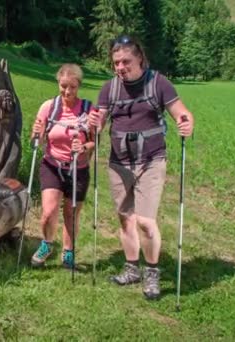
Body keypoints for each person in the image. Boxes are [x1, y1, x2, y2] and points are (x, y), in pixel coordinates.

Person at [89, 35, 194, 299]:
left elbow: (182, 112)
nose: (120, 67)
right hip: (119, 163)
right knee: (126, 219)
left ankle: (152, 272)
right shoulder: (109, 89)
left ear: (140, 59)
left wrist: (186, 122)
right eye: (116, 63)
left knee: (146, 221)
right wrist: (93, 124)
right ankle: (132, 268)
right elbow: (99, 124)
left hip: (151, 161)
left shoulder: (158, 83)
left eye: (126, 61)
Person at [30, 63, 96, 269]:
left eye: (72, 87)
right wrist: (36, 133)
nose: (67, 91)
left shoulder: (88, 110)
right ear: (58, 83)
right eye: (63, 86)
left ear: (79, 86)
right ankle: (47, 244)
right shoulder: (49, 107)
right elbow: (36, 141)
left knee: (71, 213)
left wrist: (84, 147)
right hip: (52, 165)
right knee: (48, 212)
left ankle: (68, 251)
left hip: (78, 169)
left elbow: (95, 143)